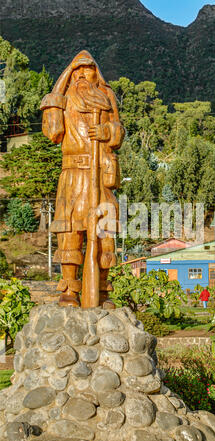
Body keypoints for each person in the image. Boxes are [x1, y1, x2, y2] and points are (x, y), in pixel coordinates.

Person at [40, 50, 125, 308]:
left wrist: (106, 130)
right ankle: (70, 290)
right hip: (73, 175)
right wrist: (60, 85)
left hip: (99, 175)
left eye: (87, 69)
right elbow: (53, 132)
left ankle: (102, 290)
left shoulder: (107, 97)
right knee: (70, 231)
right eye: (76, 71)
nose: (81, 75)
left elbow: (119, 131)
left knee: (104, 232)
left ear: (96, 72)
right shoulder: (63, 101)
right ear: (69, 75)